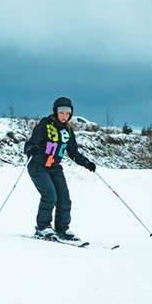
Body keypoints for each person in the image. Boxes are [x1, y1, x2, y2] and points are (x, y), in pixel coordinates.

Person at [24, 96, 96, 241]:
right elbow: (29, 144)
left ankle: (62, 229)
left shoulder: (68, 130)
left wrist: (86, 163)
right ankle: (43, 228)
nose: (64, 116)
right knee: (50, 195)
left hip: (54, 167)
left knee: (64, 199)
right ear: (56, 112)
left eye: (67, 113)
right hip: (38, 166)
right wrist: (32, 149)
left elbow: (73, 152)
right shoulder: (45, 124)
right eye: (61, 112)